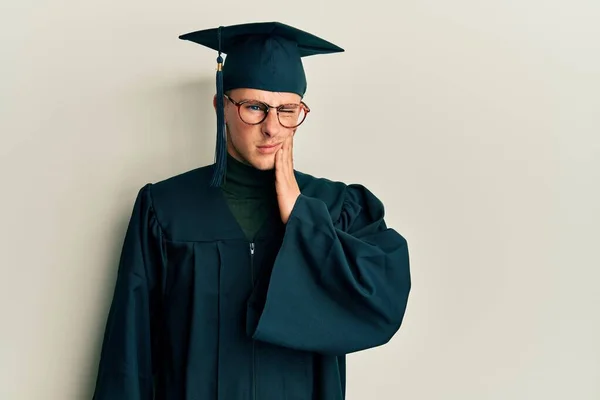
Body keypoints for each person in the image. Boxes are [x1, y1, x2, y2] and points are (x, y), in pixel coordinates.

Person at [92, 21, 411, 400]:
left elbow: (381, 305)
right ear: (220, 106)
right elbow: (129, 355)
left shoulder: (338, 208)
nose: (272, 128)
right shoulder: (165, 209)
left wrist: (302, 217)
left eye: (288, 110)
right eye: (254, 107)